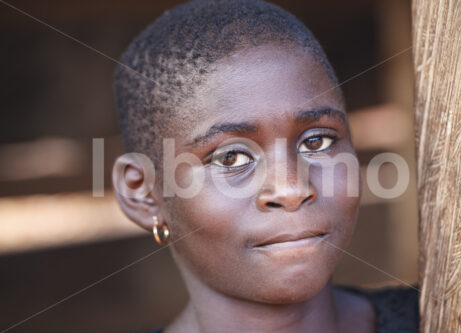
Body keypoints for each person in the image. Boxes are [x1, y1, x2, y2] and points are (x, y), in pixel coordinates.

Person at [112, 0, 419, 332]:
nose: (292, 189)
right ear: (142, 194)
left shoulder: (449, 318)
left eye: (317, 142)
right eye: (231, 158)